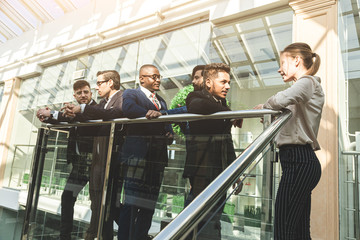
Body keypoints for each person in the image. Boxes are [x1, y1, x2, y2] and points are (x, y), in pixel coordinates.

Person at [254, 42, 324, 240]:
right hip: (298, 161)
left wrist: (266, 107)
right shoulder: (303, 89)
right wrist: (268, 111)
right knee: (299, 232)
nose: (279, 68)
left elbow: (279, 100)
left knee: (284, 231)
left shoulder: (307, 82)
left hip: (299, 161)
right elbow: (285, 108)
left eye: (282, 62)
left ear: (296, 60)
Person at [183, 63, 243, 239]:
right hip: (202, 171)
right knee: (200, 220)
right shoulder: (195, 96)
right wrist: (229, 113)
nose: (228, 86)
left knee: (214, 219)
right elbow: (196, 107)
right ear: (208, 82)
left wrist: (235, 171)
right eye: (223, 82)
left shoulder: (221, 103)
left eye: (229, 82)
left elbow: (228, 142)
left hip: (221, 171)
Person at [64, 70, 125, 240]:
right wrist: (56, 115)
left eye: (99, 83)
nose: (96, 87)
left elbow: (111, 116)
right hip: (90, 163)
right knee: (97, 204)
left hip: (105, 161)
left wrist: (81, 109)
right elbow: (78, 117)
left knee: (106, 204)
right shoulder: (103, 103)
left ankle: (128, 233)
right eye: (79, 93)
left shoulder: (114, 101)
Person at [117, 64, 173, 240]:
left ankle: (140, 236)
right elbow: (128, 109)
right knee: (131, 204)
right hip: (137, 158)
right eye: (153, 77)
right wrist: (151, 114)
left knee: (149, 205)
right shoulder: (131, 94)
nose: (157, 80)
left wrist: (169, 132)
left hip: (157, 160)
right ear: (142, 78)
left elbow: (167, 123)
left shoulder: (161, 101)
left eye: (158, 76)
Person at [36, 80, 97, 240]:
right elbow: (65, 119)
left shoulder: (96, 109)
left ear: (91, 93)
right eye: (79, 93)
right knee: (67, 198)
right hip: (80, 165)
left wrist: (57, 114)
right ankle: (65, 236)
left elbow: (82, 116)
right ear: (74, 96)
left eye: (86, 92)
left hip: (97, 164)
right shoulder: (74, 112)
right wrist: (47, 117)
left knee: (100, 203)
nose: (83, 95)